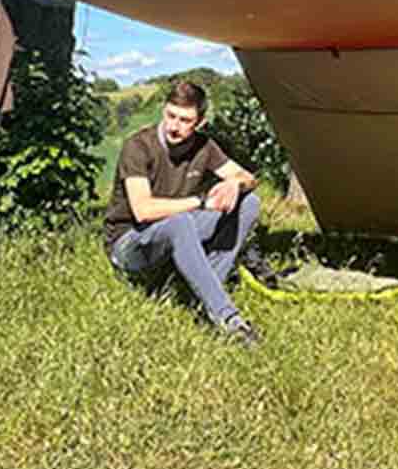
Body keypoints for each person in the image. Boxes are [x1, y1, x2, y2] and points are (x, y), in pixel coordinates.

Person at [103, 79, 275, 346]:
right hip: (130, 243)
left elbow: (249, 178)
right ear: (164, 109)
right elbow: (143, 210)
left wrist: (234, 183)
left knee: (249, 203)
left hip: (176, 227)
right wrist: (200, 201)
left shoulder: (204, 147)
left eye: (185, 120)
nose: (174, 126)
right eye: (171, 115)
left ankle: (203, 292)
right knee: (180, 222)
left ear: (200, 122)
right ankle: (229, 320)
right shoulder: (138, 147)